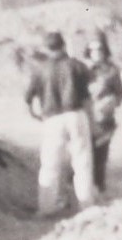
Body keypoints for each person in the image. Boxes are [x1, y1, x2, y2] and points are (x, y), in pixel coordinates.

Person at [26, 29, 99, 218]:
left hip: (52, 118)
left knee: (50, 164)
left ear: (46, 48)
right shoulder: (77, 66)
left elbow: (28, 97)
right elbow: (87, 97)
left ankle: (46, 207)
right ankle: (86, 205)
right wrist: (93, 121)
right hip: (76, 114)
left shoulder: (39, 69)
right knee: (82, 162)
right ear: (63, 45)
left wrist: (35, 114)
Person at [86, 34, 122, 194]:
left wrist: (111, 102)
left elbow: (120, 93)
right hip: (85, 116)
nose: (97, 53)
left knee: (100, 154)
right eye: (93, 50)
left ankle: (99, 187)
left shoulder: (111, 71)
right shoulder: (82, 69)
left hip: (103, 118)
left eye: (100, 49)